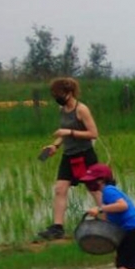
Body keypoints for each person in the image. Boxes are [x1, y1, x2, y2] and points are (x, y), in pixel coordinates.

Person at [36, 77, 99, 241]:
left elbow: (93, 134)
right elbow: (64, 132)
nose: (57, 98)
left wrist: (69, 133)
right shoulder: (62, 109)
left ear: (69, 93)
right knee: (60, 189)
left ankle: (110, 218)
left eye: (59, 94)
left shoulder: (82, 110)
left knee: (94, 189)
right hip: (68, 155)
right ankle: (57, 228)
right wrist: (54, 146)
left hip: (84, 155)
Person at [79, 164, 135, 269]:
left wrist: (100, 209)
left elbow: (123, 205)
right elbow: (110, 217)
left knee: (123, 265)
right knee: (122, 262)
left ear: (101, 180)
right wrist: (98, 214)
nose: (88, 185)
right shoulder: (108, 192)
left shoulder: (108, 191)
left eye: (90, 181)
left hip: (133, 230)